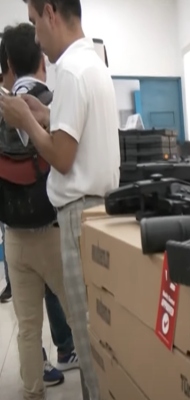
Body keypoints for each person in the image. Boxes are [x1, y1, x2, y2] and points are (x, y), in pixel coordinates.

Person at [0, 1, 120, 398]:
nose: (36, 37)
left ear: (51, 12)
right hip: (99, 212)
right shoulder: (92, 63)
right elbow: (76, 132)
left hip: (76, 217)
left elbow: (62, 157)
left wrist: (25, 120)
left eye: (35, 21)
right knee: (98, 333)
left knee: (87, 339)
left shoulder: (67, 69)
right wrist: (46, 115)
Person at [0, 23, 80, 396]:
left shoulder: (4, 108)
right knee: (80, 316)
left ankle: (33, 390)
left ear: (8, 66)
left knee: (28, 327)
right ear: (42, 61)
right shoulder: (54, 100)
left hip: (14, 235)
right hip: (53, 230)